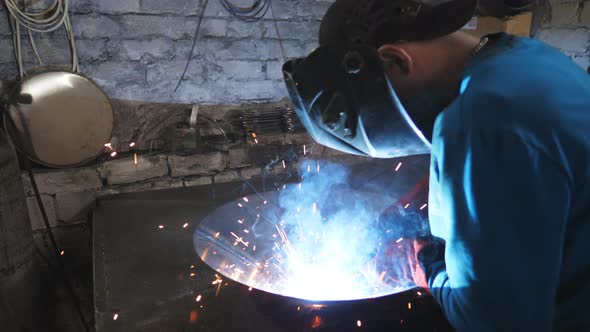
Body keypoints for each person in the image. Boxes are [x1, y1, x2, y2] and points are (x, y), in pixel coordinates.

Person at [282, 0, 590, 331]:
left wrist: (422, 266)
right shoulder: (524, 58)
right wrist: (417, 201)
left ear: (395, 60)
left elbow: (495, 321)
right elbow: (514, 173)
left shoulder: (479, 121)